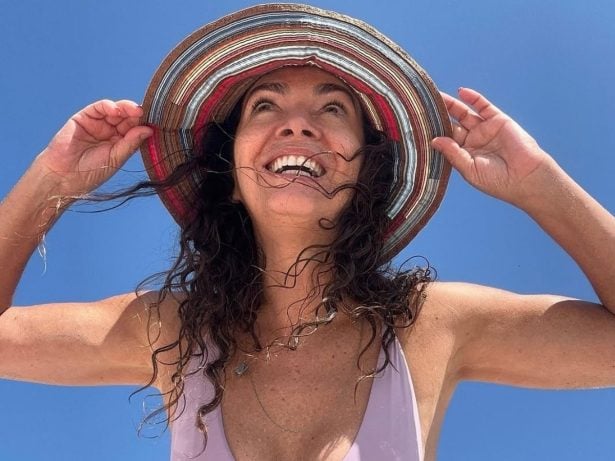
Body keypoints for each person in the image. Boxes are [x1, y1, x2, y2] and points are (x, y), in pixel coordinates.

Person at [1, 4, 614, 461]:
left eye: (332, 108)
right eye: (265, 106)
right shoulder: (169, 331)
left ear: (367, 171)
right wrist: (52, 179)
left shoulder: (429, 325)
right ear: (230, 175)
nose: (297, 125)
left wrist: (538, 182)